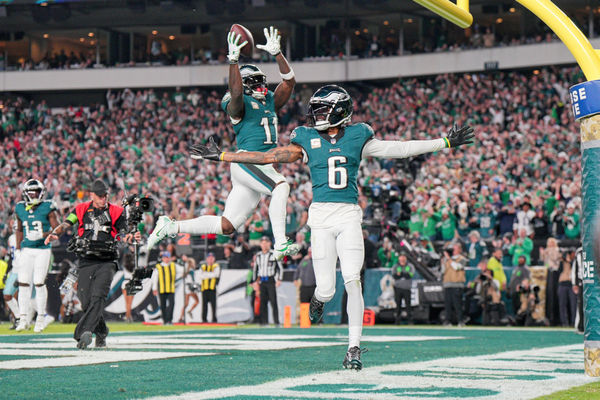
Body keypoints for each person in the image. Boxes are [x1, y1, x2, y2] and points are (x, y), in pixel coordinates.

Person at [190, 84, 474, 369]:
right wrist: (225, 156)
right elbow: (268, 156)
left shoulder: (358, 135)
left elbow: (399, 149)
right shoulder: (306, 137)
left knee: (353, 281)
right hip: (321, 219)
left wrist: (444, 142)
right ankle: (320, 299)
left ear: (339, 110)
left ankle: (353, 348)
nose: (317, 115)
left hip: (349, 215)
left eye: (323, 110)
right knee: (325, 288)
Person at [147, 26, 300, 261]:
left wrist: (278, 54)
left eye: (262, 82)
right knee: (281, 186)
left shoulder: (269, 100)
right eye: (256, 83)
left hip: (260, 166)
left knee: (227, 226)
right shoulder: (238, 104)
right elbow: (237, 94)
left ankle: (169, 227)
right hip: (247, 161)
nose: (262, 87)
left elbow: (289, 82)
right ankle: (280, 242)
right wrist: (233, 61)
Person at [45, 179, 140, 349]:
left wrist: (131, 237)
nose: (104, 199)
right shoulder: (81, 209)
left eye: (106, 196)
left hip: (107, 261)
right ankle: (102, 331)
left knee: (98, 296)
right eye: (100, 196)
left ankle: (83, 333)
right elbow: (67, 223)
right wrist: (55, 234)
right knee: (85, 301)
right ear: (92, 195)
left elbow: (124, 232)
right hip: (86, 260)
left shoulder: (116, 211)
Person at [15, 179, 59, 332]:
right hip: (26, 249)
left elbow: (58, 228)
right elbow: (19, 229)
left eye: (37, 191)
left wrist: (43, 234)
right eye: (32, 192)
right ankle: (23, 318)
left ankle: (40, 318)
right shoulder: (20, 207)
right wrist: (17, 249)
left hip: (42, 249)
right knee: (23, 284)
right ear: (26, 193)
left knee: (39, 282)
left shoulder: (48, 206)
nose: (35, 194)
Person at [252, 236, 283, 325]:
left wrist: (279, 279)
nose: (264, 244)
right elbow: (255, 269)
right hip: (262, 281)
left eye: (266, 242)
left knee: (273, 301)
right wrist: (255, 282)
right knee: (263, 302)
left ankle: (276, 322)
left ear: (269, 243)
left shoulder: (274, 254)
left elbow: (280, 268)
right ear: (260, 244)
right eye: (263, 243)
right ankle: (264, 322)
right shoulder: (258, 255)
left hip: (270, 280)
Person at [441, 242, 467, 326]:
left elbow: (457, 267)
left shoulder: (462, 259)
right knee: (448, 305)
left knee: (457, 304)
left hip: (457, 284)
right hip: (447, 284)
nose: (453, 250)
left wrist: (448, 258)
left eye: (454, 249)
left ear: (459, 249)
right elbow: (443, 271)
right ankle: (447, 321)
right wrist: (444, 260)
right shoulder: (447, 259)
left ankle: (460, 321)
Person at [152, 251, 181, 325]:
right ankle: (165, 320)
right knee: (163, 305)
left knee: (172, 304)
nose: (166, 259)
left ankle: (169, 320)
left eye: (168, 257)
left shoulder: (174, 265)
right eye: (165, 257)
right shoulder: (158, 267)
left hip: (171, 289)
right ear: (162, 258)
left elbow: (182, 270)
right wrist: (154, 288)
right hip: (162, 289)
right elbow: (155, 278)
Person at [392, 252, 414, 324]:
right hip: (398, 288)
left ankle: (410, 320)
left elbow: (410, 275)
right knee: (398, 305)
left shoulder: (410, 266)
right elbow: (395, 276)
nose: (402, 258)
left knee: (408, 305)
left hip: (407, 288)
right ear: (399, 258)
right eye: (401, 257)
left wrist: (401, 274)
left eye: (404, 257)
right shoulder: (396, 266)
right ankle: (397, 320)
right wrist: (404, 274)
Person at [198, 252, 220, 323]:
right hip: (204, 288)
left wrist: (205, 274)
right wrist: (210, 274)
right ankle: (204, 319)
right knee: (204, 305)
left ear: (214, 259)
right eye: (209, 258)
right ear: (206, 259)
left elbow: (216, 274)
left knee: (213, 305)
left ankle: (214, 319)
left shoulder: (216, 266)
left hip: (212, 288)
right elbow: (200, 276)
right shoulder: (203, 266)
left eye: (212, 258)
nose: (210, 260)